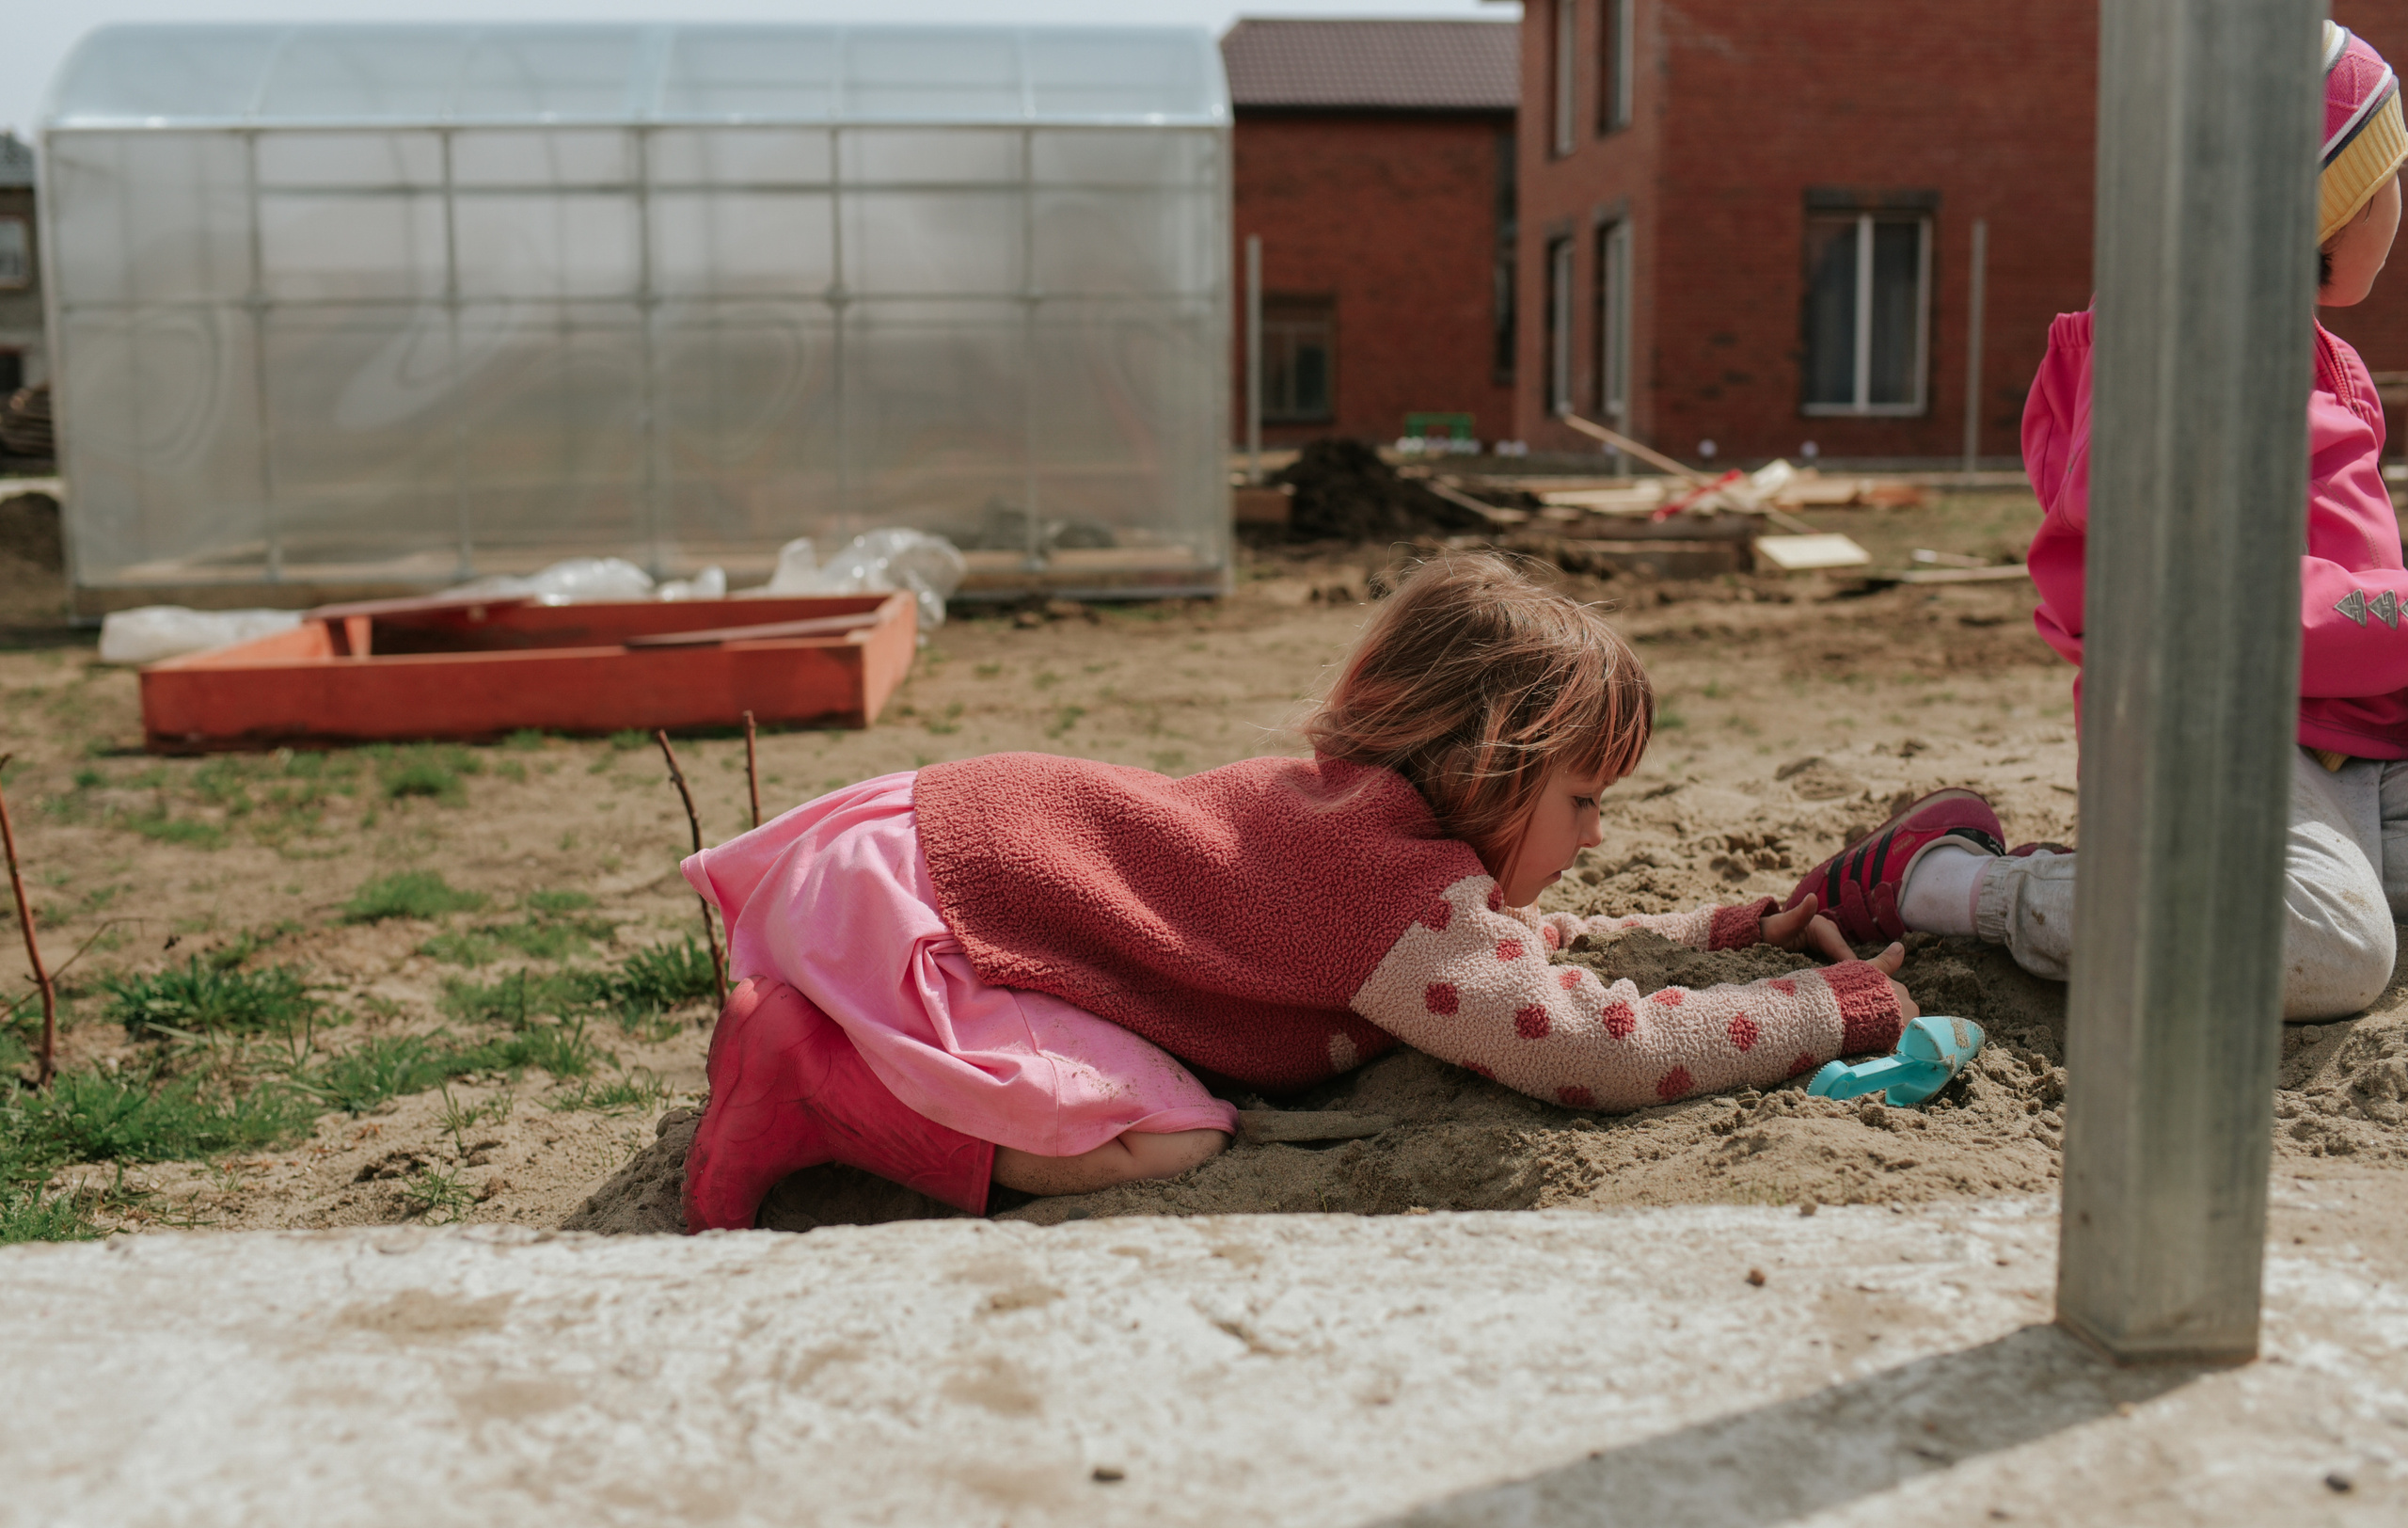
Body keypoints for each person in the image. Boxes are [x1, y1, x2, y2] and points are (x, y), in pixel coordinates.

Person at [678, 553, 1917, 1231]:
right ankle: (818, 1087)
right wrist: (1829, 1009)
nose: (1596, 835)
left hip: (931, 850)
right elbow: (1589, 1047)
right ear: (1492, 765)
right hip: (940, 912)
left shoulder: (1358, 818)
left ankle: (840, 1053)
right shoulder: (1389, 896)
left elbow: (1511, 943)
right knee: (1162, 1139)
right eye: (1583, 800)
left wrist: (1717, 932)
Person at [1786, 22, 2408, 1024]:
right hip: (2235, 747)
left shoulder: (2313, 360)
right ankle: (1942, 885)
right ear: (2324, 212)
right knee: (2336, 945)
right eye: (2390, 177)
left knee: (2329, 910)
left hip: (2359, 745)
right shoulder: (2170, 370)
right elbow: (2234, 610)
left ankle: (2142, 886)